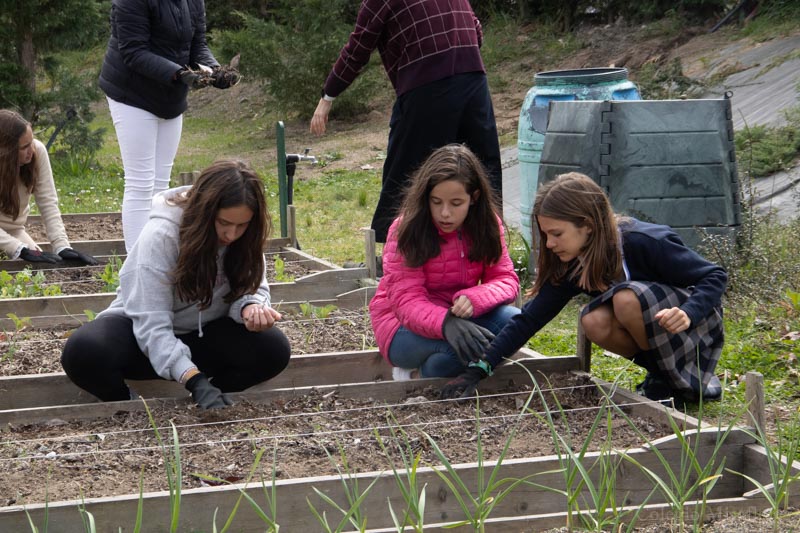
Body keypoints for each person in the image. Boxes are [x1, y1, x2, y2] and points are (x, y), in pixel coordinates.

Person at [441, 172, 728, 403]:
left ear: (587, 226)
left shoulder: (643, 241)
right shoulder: (573, 264)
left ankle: (673, 380)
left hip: (696, 327)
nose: (550, 244)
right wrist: (479, 369)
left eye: (556, 234)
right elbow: (529, 319)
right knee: (594, 321)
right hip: (662, 337)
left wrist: (688, 312)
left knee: (626, 300)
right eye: (545, 235)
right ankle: (663, 377)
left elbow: (714, 276)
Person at [61, 160, 291, 409]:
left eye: (242, 225)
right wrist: (195, 380)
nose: (231, 235)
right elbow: (152, 324)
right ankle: (127, 406)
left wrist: (250, 307)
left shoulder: (246, 240)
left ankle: (216, 398)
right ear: (205, 212)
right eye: (223, 223)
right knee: (84, 351)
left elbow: (253, 286)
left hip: (206, 337)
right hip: (144, 339)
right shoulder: (161, 236)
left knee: (273, 348)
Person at [310, 0, 502, 244]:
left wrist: (328, 96)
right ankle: (489, 246)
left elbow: (358, 48)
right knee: (482, 168)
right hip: (473, 78)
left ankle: (394, 253)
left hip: (427, 83)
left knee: (407, 172)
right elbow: (475, 29)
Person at [99, 0, 240, 251]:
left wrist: (216, 71)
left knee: (161, 185)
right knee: (140, 183)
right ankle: (136, 264)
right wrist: (179, 74)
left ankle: (156, 253)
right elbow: (133, 51)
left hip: (170, 96)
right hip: (131, 93)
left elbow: (198, 46)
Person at [369, 144, 519, 380]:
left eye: (456, 203)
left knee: (514, 324)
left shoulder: (488, 224)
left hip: (461, 319)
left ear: (474, 198)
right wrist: (445, 323)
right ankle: (419, 370)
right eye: (436, 202)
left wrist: (475, 298)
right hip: (401, 326)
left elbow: (505, 279)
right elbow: (405, 300)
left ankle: (423, 374)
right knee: (464, 348)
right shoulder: (405, 229)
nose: (445, 213)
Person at [0, 110, 97, 265]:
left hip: (14, 231)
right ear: (6, 150)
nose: (31, 150)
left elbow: (48, 202)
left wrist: (62, 246)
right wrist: (19, 249)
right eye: (24, 147)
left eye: (31, 142)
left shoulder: (37, 151)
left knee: (40, 267)